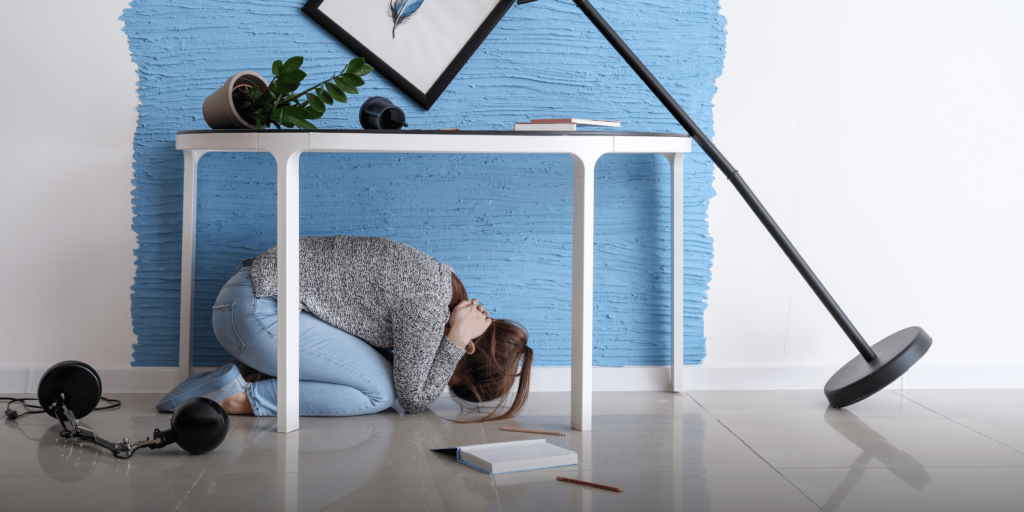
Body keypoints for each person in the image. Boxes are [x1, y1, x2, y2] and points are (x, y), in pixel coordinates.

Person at [156, 235, 533, 422]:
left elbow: (411, 383)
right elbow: (413, 399)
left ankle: (241, 378)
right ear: (468, 348)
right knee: (380, 393)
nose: (438, 378)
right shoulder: (430, 307)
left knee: (385, 378)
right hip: (255, 311)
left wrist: (453, 338)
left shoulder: (440, 290)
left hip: (252, 304)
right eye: (449, 378)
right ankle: (240, 399)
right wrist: (453, 340)